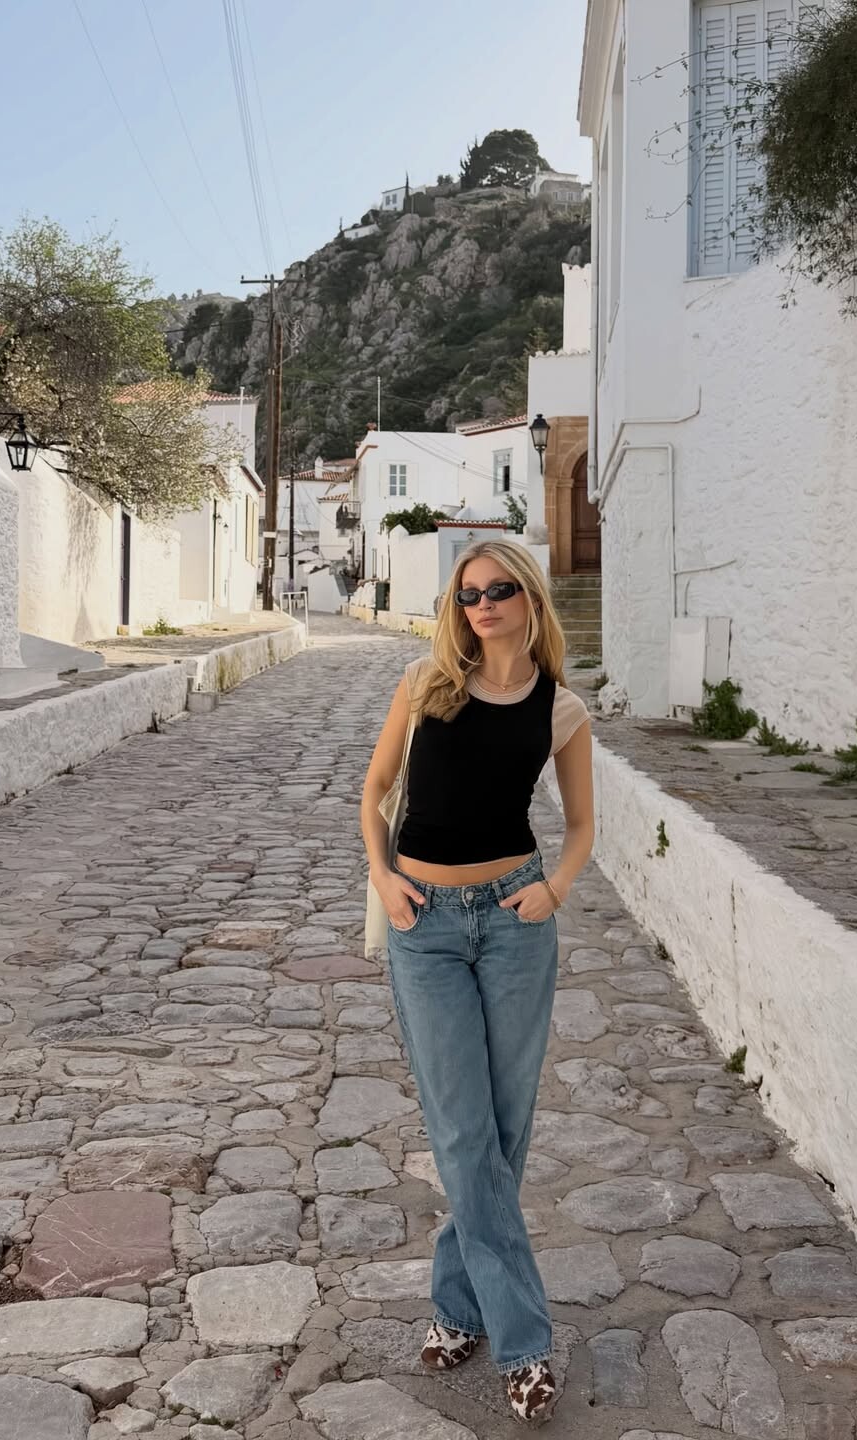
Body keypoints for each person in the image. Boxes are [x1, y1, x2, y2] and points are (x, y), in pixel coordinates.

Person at [361, 539, 594, 1425]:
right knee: (463, 1130)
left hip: (513, 923)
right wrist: (385, 879)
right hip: (423, 925)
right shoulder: (425, 685)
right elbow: (375, 793)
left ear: (528, 597)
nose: (482, 605)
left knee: (503, 1130)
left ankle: (458, 1312)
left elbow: (581, 826)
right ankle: (524, 1343)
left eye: (498, 590)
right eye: (467, 595)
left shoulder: (560, 708)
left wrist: (554, 889)